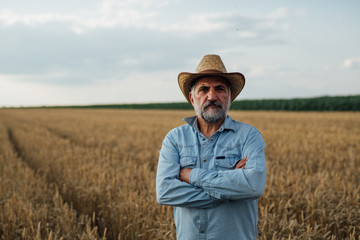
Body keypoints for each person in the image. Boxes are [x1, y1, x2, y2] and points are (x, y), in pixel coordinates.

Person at [156, 54, 266, 240]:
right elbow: (166, 192)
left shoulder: (249, 136)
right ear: (192, 98)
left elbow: (253, 186)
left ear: (230, 97)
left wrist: (191, 175)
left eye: (220, 89)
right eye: (204, 89)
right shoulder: (175, 138)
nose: (212, 96)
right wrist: (229, 189)